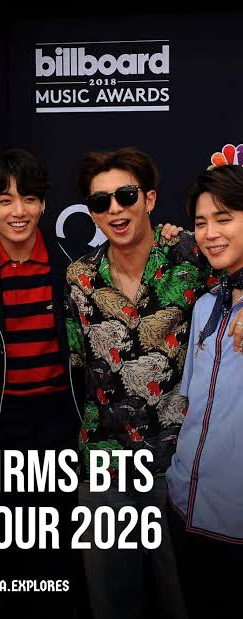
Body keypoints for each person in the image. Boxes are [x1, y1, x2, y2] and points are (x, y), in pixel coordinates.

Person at [66, 146, 221, 619]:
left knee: (184, 598)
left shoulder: (193, 257)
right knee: (111, 602)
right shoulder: (80, 277)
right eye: (101, 202)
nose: (115, 209)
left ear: (149, 199)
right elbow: (80, 361)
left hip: (180, 463)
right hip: (103, 465)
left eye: (126, 196)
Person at [0, 149, 85, 619]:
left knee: (62, 549)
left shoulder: (72, 266)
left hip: (61, 422)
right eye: (4, 200)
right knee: (5, 551)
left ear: (43, 204)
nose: (18, 211)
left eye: (29, 199)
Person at [166, 164, 243, 619]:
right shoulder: (206, 305)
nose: (210, 233)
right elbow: (193, 401)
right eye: (200, 222)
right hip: (187, 507)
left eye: (224, 218)